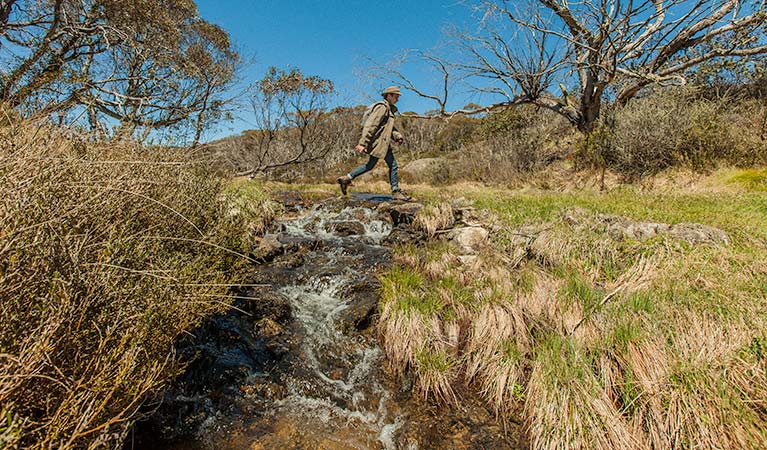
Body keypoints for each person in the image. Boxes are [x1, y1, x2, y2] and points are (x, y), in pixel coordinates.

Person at [337, 86, 410, 200]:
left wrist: (397, 136)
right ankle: (395, 191)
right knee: (393, 165)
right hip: (379, 143)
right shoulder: (382, 107)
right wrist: (363, 143)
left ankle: (347, 178)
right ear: (389, 95)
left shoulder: (388, 109)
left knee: (370, 165)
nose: (398, 99)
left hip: (382, 143)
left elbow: (388, 127)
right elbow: (371, 125)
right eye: (396, 96)